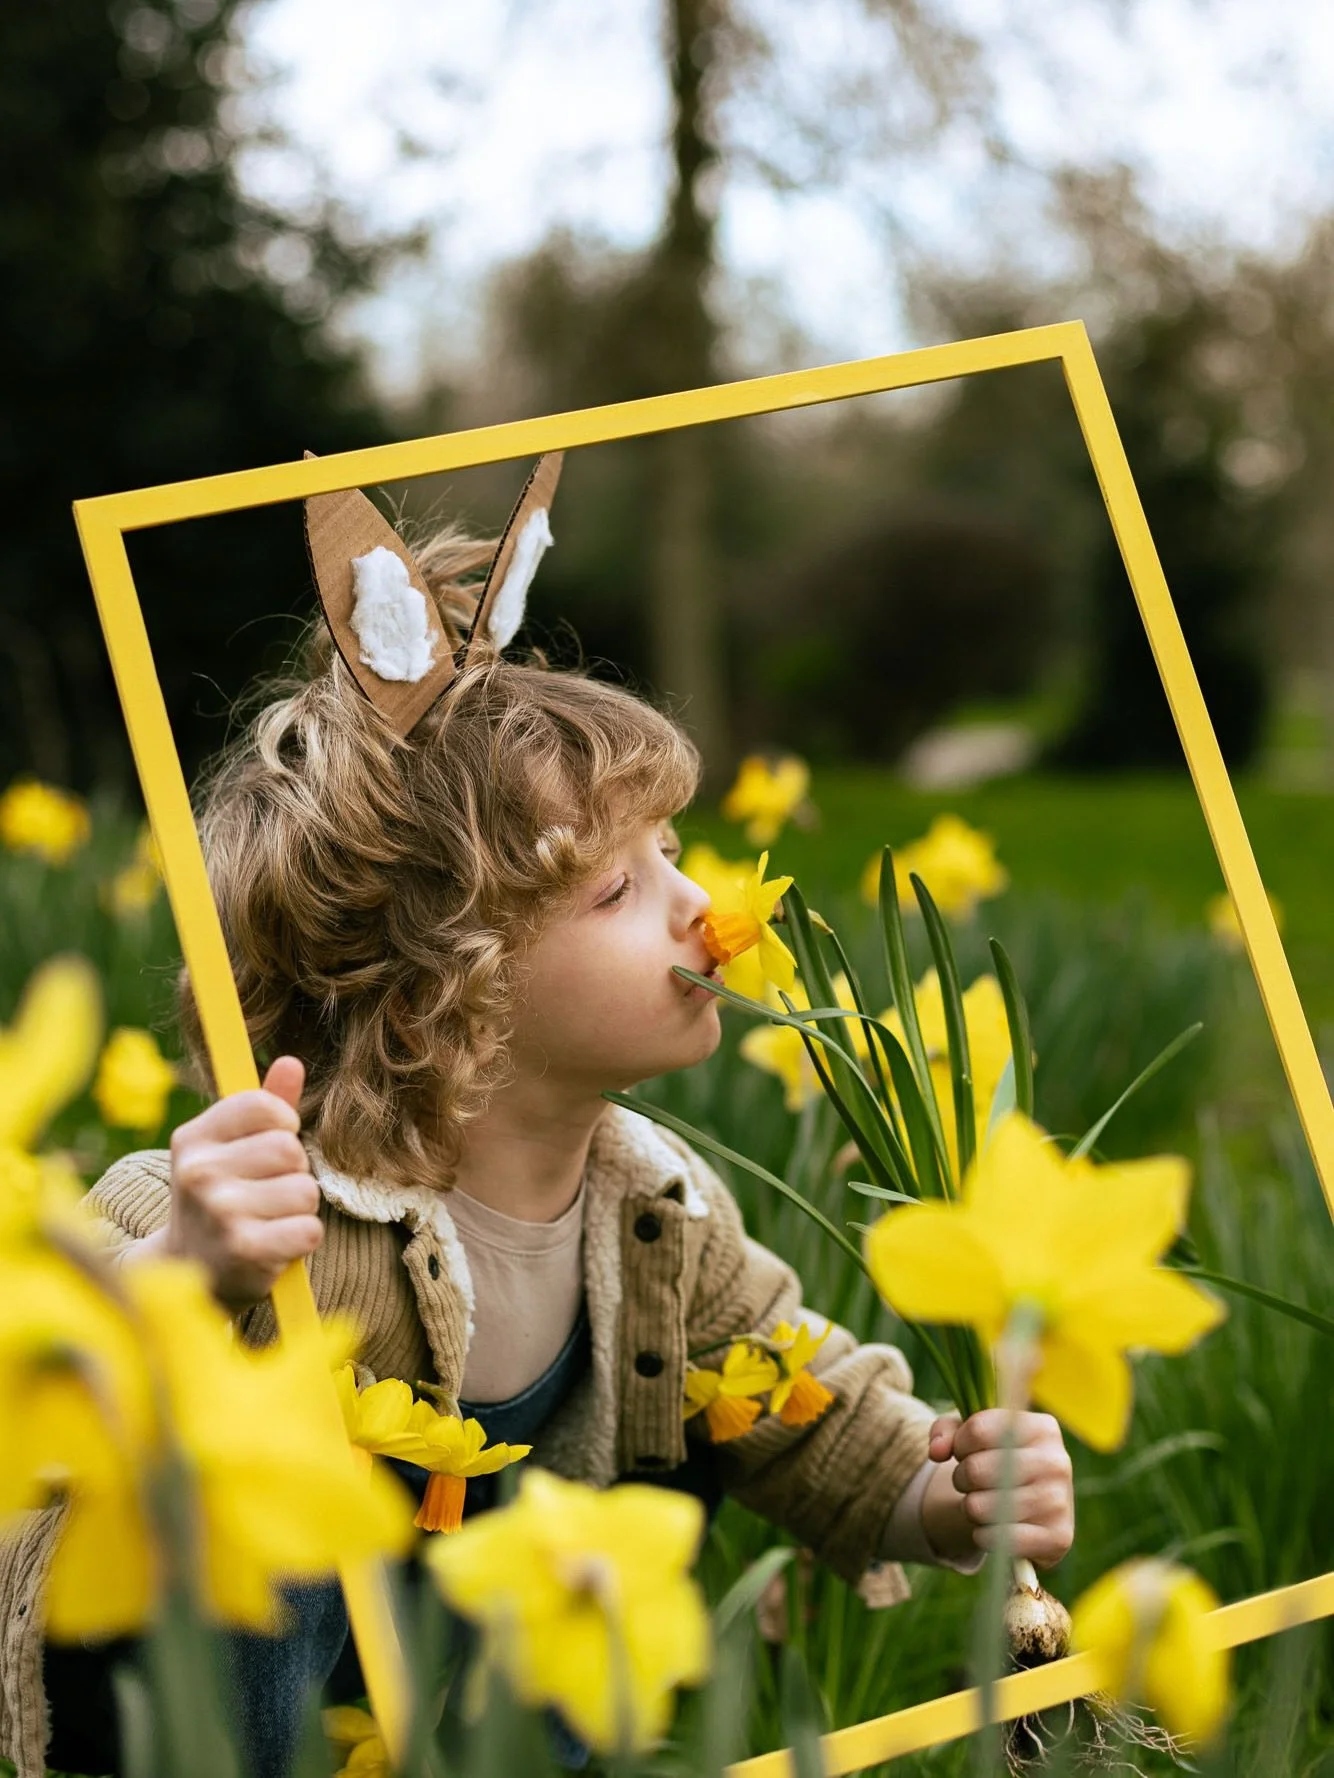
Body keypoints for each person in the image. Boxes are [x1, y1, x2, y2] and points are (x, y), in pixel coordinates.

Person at [0, 458, 1073, 1778]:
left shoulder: (654, 1210)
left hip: (466, 1708)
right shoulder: (262, 1205)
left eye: (672, 852)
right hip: (220, 1718)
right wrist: (185, 1276)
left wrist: (943, 1489)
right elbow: (42, 1383)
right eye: (617, 887)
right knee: (257, 1479)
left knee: (665, 1446)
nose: (695, 904)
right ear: (445, 973)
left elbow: (808, 1404)